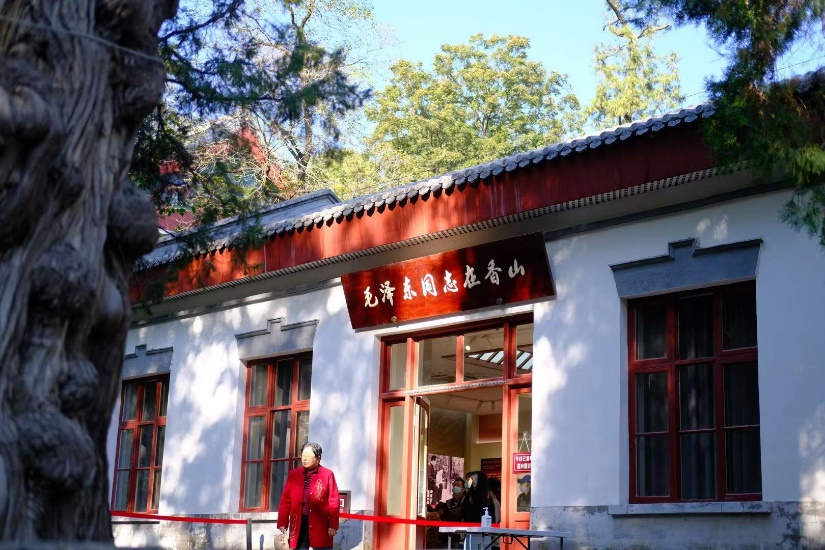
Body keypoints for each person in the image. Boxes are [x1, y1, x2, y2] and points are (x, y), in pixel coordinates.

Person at [277, 442, 340, 550]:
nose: (304, 459)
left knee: (322, 548)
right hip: (299, 521)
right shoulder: (294, 474)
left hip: (320, 522)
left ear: (318, 458)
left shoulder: (327, 474)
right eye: (303, 456)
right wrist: (283, 522)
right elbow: (285, 501)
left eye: (308, 456)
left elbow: (334, 501)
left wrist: (333, 525)